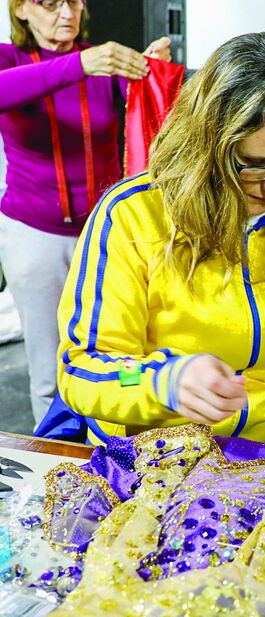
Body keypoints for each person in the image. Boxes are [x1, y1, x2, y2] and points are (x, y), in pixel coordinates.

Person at [44, 31, 265, 470]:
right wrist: (163, 380)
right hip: (151, 457)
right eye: (258, 165)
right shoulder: (132, 217)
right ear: (207, 148)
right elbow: (86, 367)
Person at [0, 0, 171, 426]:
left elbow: (148, 120)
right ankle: (59, 462)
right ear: (20, 11)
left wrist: (154, 71)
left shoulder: (106, 64)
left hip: (105, 233)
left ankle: (121, 442)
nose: (66, 12)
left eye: (74, 1)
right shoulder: (12, 59)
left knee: (125, 351)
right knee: (49, 368)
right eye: (49, 3)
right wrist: (80, 64)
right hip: (33, 234)